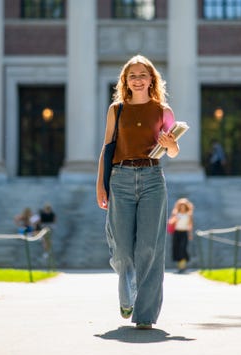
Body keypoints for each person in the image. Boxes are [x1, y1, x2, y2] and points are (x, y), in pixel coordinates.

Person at [96, 54, 180, 329]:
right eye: (133, 75)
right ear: (126, 81)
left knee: (149, 248)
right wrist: (101, 185)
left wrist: (169, 144)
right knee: (121, 248)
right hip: (120, 178)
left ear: (151, 79)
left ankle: (145, 315)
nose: (138, 79)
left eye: (143, 74)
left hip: (152, 178)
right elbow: (108, 148)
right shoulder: (116, 109)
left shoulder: (162, 111)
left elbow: (174, 151)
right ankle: (126, 293)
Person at [167, 198, 194, 272]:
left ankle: (183, 267)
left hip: (184, 232)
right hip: (176, 233)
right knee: (177, 249)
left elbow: (190, 225)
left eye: (184, 206)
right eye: (181, 205)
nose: (182, 207)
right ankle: (180, 267)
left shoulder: (189, 214)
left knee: (183, 249)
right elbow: (170, 222)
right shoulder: (175, 213)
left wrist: (190, 234)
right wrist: (176, 219)